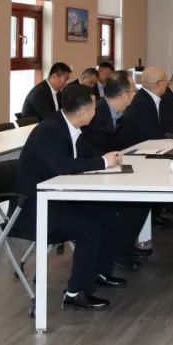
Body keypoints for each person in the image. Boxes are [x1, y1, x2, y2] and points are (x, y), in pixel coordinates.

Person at [12, 85, 127, 311]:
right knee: (89, 229)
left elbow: (85, 155)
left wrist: (107, 158)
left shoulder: (70, 126)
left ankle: (99, 273)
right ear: (83, 112)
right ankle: (76, 293)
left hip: (58, 199)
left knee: (108, 215)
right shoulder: (50, 130)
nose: (97, 111)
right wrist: (104, 162)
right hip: (34, 207)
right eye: (94, 107)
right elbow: (63, 166)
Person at [75, 74, 150, 266]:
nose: (135, 94)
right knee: (131, 204)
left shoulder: (117, 113)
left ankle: (124, 247)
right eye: (133, 91)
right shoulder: (97, 114)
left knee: (141, 202)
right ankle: (117, 252)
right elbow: (89, 148)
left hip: (109, 169)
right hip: (91, 175)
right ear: (123, 95)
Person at [115, 66, 170, 150]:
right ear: (160, 83)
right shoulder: (141, 103)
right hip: (133, 151)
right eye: (166, 81)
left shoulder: (153, 99)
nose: (167, 84)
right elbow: (152, 135)